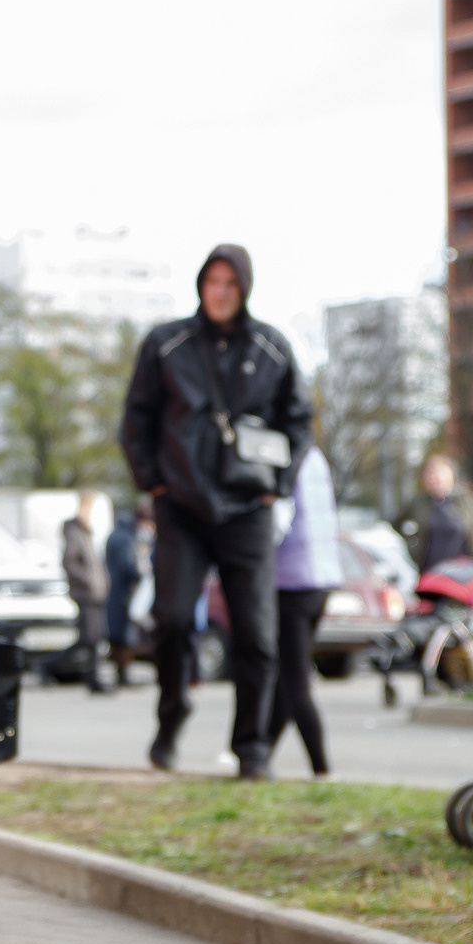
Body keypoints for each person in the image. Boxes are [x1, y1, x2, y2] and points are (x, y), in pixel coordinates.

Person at [118, 245, 311, 780]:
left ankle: (251, 747)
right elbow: (137, 418)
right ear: (201, 285)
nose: (220, 291)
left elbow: (299, 421)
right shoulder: (167, 343)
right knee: (174, 619)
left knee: (256, 634)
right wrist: (152, 482)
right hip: (180, 505)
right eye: (213, 281)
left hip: (248, 506)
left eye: (231, 282)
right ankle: (172, 714)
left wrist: (280, 484)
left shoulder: (272, 347)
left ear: (244, 288)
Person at [269, 446, 342, 779]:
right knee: (288, 677)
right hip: (321, 578)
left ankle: (321, 767)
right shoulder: (314, 457)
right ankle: (260, 752)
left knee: (295, 680)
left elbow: (277, 522)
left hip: (292, 580)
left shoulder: (280, 453)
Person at [61, 493, 110, 694]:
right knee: (89, 638)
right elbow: (69, 562)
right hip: (86, 593)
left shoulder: (87, 532)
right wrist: (89, 581)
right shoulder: (75, 532)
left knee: (94, 637)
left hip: (96, 593)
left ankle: (92, 676)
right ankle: (91, 678)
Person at [103, 497, 150, 687]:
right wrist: (140, 573)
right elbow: (127, 566)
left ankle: (122, 673)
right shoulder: (124, 537)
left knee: (121, 636)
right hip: (122, 594)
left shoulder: (120, 534)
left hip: (118, 593)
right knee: (123, 637)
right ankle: (122, 674)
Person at [412, 455, 473, 572]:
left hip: (462, 570)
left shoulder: (464, 500)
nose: (433, 478)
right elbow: (396, 525)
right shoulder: (419, 502)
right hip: (429, 570)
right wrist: (412, 545)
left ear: (450, 476)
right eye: (429, 474)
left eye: (438, 474)